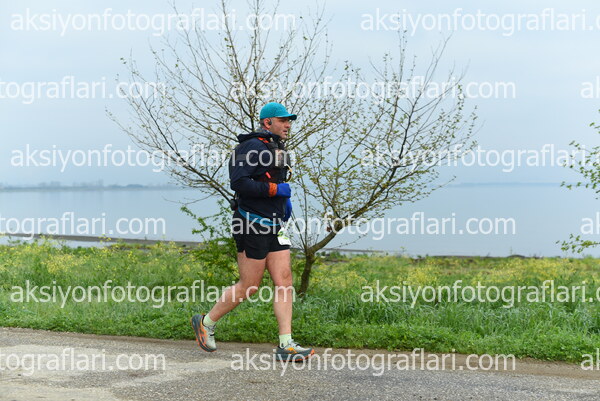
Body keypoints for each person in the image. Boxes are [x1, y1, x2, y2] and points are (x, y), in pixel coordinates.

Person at [191, 102, 314, 362]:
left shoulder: (277, 148)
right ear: (267, 122)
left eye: (289, 121)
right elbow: (239, 182)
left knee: (285, 281)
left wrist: (284, 200)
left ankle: (286, 344)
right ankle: (206, 322)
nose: (288, 125)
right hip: (250, 223)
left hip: (274, 225)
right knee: (250, 286)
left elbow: (276, 179)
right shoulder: (250, 147)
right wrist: (275, 191)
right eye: (283, 120)